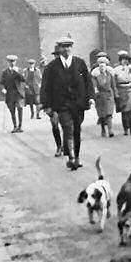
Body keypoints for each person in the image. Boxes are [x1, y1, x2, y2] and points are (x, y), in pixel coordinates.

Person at [40, 36, 94, 170]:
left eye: (69, 46)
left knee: (77, 130)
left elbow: (88, 82)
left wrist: (91, 97)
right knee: (67, 128)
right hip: (62, 104)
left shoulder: (79, 63)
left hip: (78, 103)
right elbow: (45, 87)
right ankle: (71, 157)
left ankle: (77, 156)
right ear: (59, 48)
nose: (67, 49)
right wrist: (46, 105)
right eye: (64, 46)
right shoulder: (52, 67)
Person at [91, 56, 118, 137]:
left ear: (106, 65)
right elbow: (94, 85)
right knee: (102, 115)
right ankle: (103, 129)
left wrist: (116, 94)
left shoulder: (110, 74)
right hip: (100, 96)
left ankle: (110, 130)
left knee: (109, 113)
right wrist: (95, 92)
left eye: (104, 64)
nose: (102, 66)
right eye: (100, 64)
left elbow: (113, 85)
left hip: (109, 95)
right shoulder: (95, 75)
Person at [113, 50, 131, 135]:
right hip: (121, 90)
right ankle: (125, 129)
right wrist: (116, 92)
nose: (125, 61)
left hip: (130, 90)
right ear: (120, 60)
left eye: (126, 59)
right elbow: (114, 82)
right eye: (123, 59)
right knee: (124, 112)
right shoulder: (116, 69)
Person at [0, 55, 26, 133]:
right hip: (10, 94)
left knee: (20, 109)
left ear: (16, 62)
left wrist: (17, 72)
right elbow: (1, 82)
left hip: (18, 93)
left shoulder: (20, 70)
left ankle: (20, 126)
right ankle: (15, 126)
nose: (12, 63)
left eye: (13, 61)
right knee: (12, 110)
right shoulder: (5, 72)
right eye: (10, 62)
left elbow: (23, 79)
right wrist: (3, 89)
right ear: (8, 62)